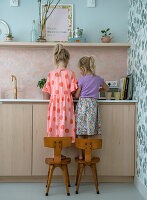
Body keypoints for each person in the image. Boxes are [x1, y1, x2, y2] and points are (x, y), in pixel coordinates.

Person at [42, 44, 77, 154]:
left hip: (54, 103)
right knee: (65, 123)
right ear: (67, 59)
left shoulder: (51, 73)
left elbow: (46, 92)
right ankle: (61, 149)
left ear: (56, 58)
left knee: (54, 124)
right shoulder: (71, 73)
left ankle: (56, 152)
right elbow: (72, 91)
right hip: (66, 103)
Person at [75, 56, 109, 160]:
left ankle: (81, 156)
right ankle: (89, 155)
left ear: (83, 69)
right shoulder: (97, 78)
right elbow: (107, 88)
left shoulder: (81, 80)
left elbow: (76, 96)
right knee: (90, 131)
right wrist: (97, 91)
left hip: (82, 106)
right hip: (93, 106)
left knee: (80, 132)